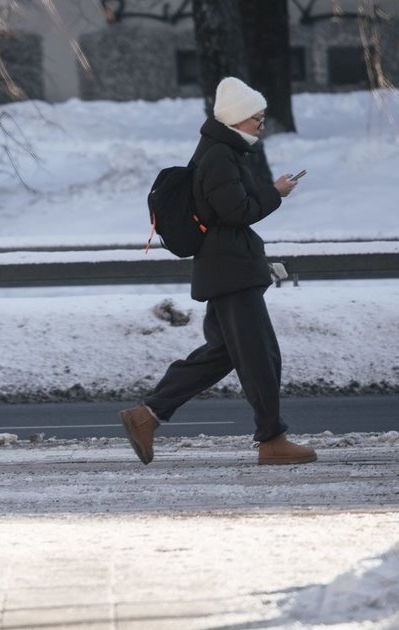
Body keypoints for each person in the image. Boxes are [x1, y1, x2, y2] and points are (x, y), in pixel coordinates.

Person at [119, 76, 317, 466]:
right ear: (237, 119)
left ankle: (147, 416)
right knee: (261, 356)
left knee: (220, 355)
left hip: (227, 269)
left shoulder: (221, 153)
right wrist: (274, 193)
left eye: (262, 115)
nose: (261, 121)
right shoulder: (219, 157)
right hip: (230, 274)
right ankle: (272, 439)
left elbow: (228, 213)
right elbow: (236, 212)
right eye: (255, 116)